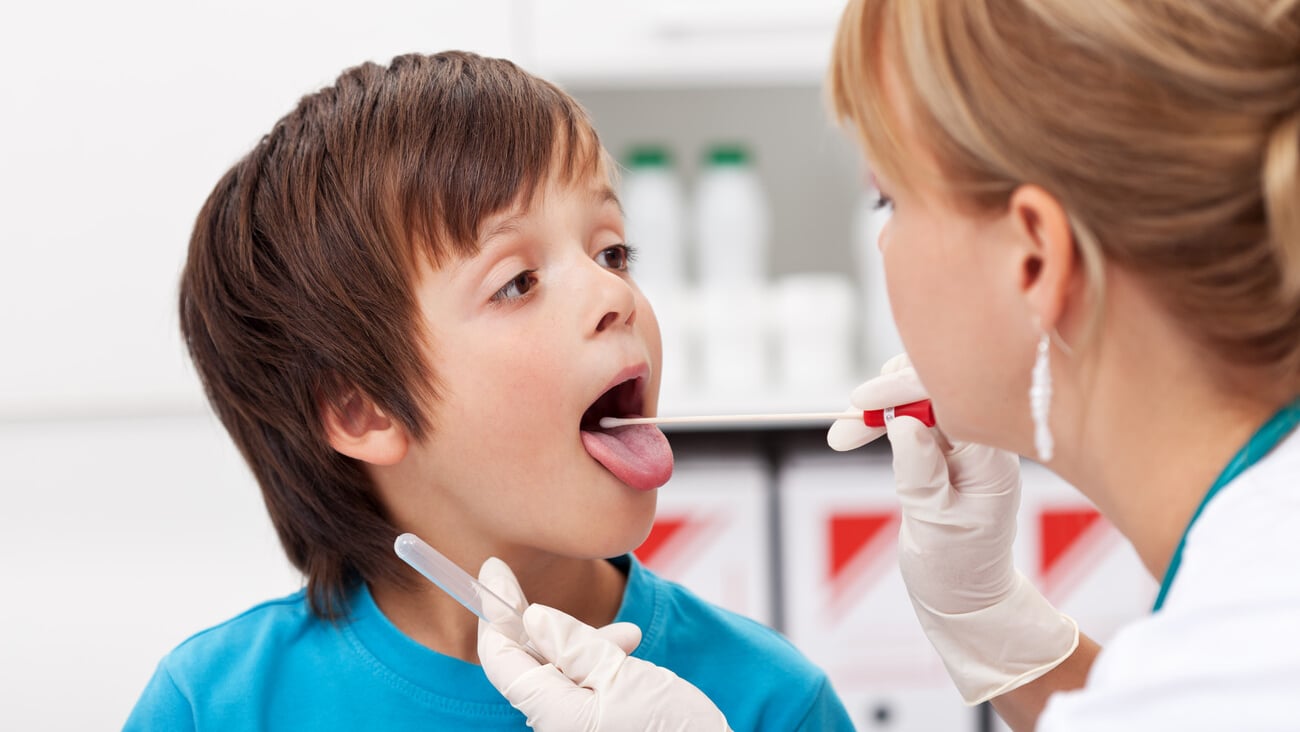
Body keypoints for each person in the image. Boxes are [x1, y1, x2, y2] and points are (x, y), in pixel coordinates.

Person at [474, 0, 1300, 729]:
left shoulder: (1236, 666)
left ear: (1036, 260)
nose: (881, 243)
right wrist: (1000, 631)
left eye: (888, 200)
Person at [123, 51, 854, 731]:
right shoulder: (216, 707)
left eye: (613, 251)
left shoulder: (770, 702)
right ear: (361, 407)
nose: (613, 293)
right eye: (518, 282)